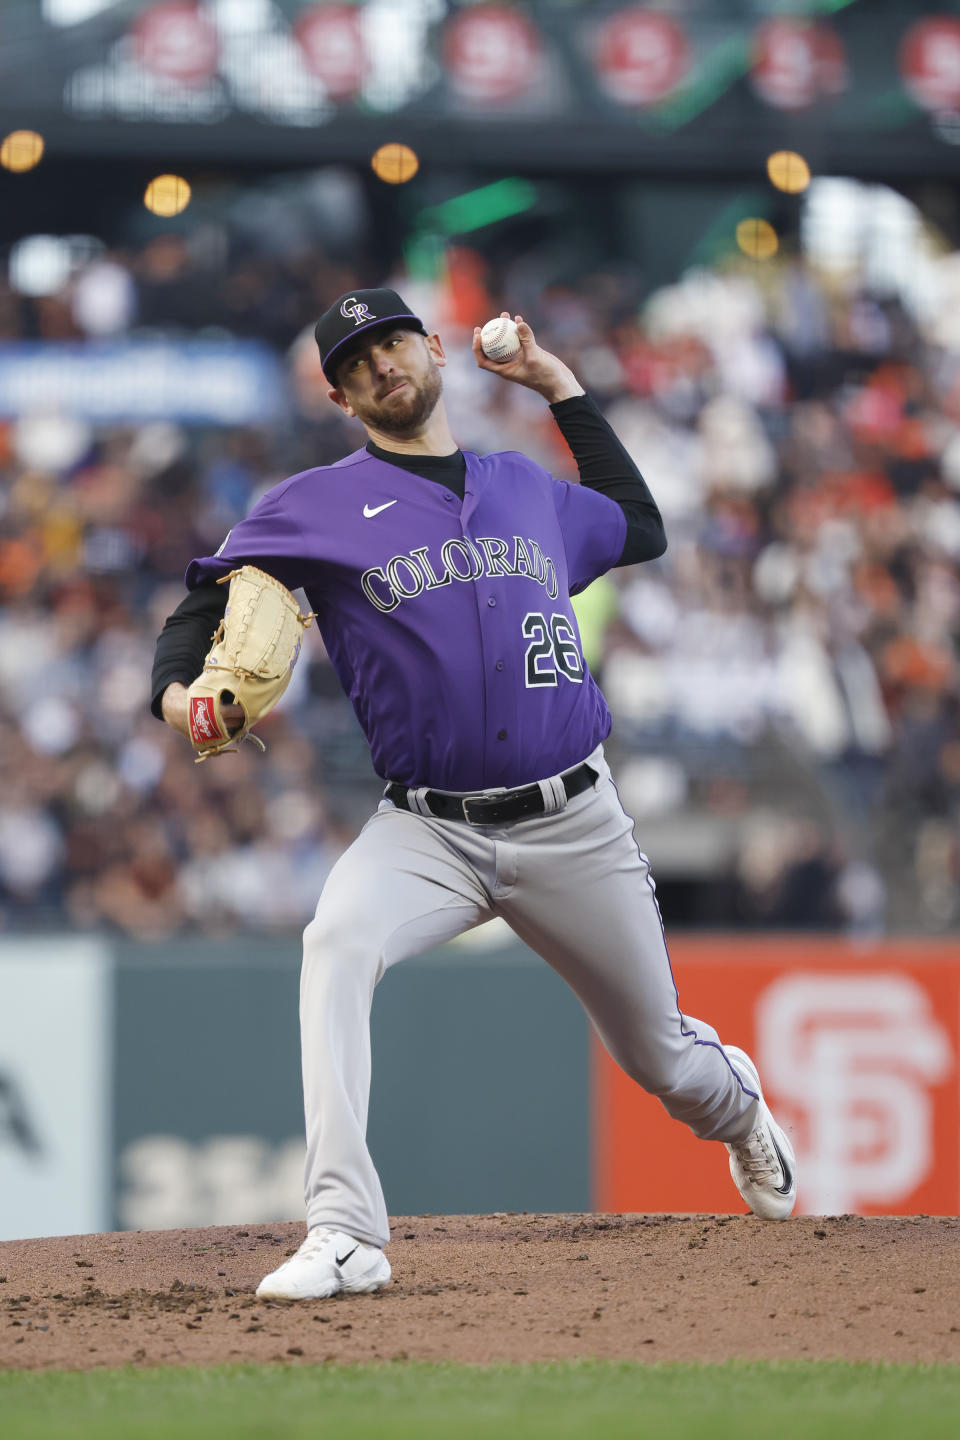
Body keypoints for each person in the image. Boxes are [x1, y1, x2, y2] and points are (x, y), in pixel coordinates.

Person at [151, 287, 796, 1302]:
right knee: (335, 944)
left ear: (436, 348)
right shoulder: (312, 505)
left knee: (665, 1061)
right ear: (339, 396)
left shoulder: (523, 486)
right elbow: (201, 604)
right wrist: (175, 692)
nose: (380, 365)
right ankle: (346, 1230)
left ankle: (741, 1110)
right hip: (427, 831)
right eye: (356, 361)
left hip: (576, 821)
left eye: (393, 342)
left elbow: (640, 527)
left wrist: (558, 385)